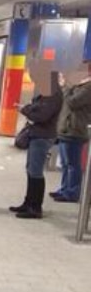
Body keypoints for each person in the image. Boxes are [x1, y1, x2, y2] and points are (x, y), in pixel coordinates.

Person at [9, 70, 62, 219]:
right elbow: (37, 108)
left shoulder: (53, 94)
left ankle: (35, 207)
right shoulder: (47, 92)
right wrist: (27, 108)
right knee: (31, 169)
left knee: (36, 171)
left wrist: (24, 110)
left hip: (42, 136)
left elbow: (42, 116)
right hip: (37, 134)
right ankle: (28, 203)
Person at [49, 68, 91, 203]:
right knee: (66, 163)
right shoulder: (82, 84)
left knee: (73, 164)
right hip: (66, 129)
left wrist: (64, 86)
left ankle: (72, 192)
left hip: (74, 129)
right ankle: (64, 189)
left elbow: (73, 102)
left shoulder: (88, 87)